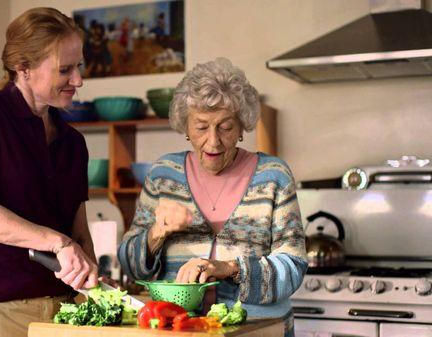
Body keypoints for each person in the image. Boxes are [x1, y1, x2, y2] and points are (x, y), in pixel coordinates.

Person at [118, 58, 307, 337]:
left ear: (243, 126)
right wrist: (156, 233)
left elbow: (293, 266)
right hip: (181, 330)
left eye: (226, 127)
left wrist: (230, 269)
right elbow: (131, 266)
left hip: (258, 331)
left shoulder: (273, 176)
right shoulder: (164, 175)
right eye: (201, 126)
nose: (213, 141)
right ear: (185, 127)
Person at [0, 7, 98, 337]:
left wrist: (90, 274)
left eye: (79, 67)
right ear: (23, 68)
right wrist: (57, 242)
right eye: (65, 70)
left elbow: (79, 231)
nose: (78, 80)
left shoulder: (73, 143)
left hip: (65, 313)